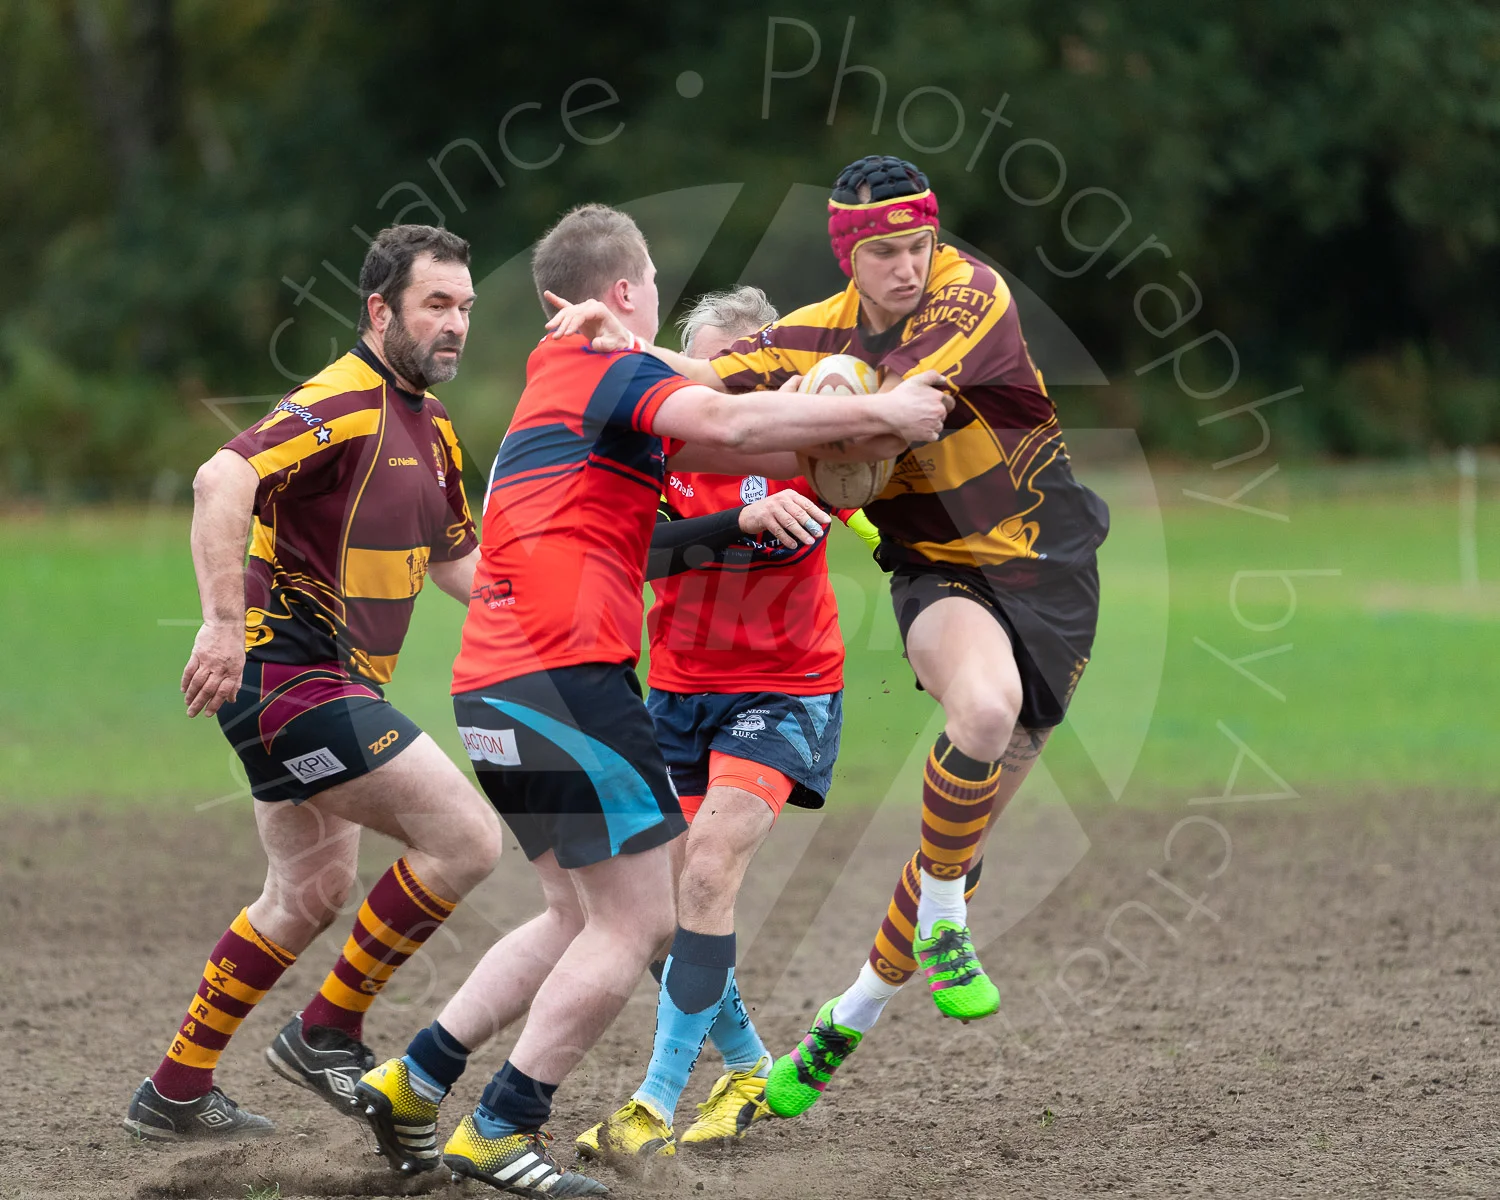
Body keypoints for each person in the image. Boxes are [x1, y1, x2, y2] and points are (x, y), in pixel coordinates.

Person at [349, 204, 951, 1196]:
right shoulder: (608, 369)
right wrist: (882, 412)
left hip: (498, 680)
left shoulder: (572, 375)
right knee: (641, 920)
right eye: (656, 293)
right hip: (564, 674)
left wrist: (845, 420)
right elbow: (720, 419)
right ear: (627, 291)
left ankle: (418, 1079)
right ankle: (502, 1126)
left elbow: (726, 438)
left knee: (568, 910)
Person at [547, 156, 1110, 1117]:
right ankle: (942, 923)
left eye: (919, 244)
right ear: (851, 254)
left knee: (963, 836)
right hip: (939, 569)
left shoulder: (970, 295)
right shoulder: (814, 329)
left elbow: (885, 420)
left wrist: (811, 401)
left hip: (1049, 567)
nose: (908, 265)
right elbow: (716, 386)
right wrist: (623, 350)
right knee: (981, 710)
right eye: (885, 250)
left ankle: (848, 1016)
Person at [123, 224, 506, 1142]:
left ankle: (174, 1090)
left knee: (306, 893)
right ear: (380, 310)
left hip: (322, 688)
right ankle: (326, 1030)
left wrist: (569, 607)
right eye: (436, 306)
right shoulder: (346, 399)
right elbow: (222, 478)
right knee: (465, 840)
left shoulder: (436, 427)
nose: (455, 325)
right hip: (292, 679)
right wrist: (220, 625)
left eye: (465, 308)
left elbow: (461, 564)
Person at [572, 287, 877, 1161]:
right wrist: (735, 523)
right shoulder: (651, 444)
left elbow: (895, 527)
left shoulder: (809, 449)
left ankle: (652, 1103)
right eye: (715, 376)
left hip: (786, 691)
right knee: (671, 912)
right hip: (672, 691)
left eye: (750, 380)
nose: (731, 400)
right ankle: (746, 1063)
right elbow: (630, 555)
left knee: (707, 870)